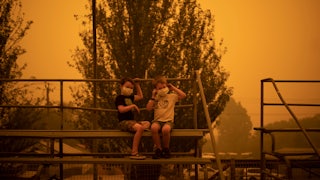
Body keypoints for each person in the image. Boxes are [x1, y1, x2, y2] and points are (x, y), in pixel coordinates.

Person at [146, 75, 186, 159]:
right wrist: (153, 96)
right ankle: (158, 149)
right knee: (153, 128)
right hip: (157, 121)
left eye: (164, 87)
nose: (162, 89)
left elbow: (183, 95)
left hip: (168, 121)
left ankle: (166, 149)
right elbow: (148, 108)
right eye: (160, 88)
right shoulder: (156, 98)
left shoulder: (171, 96)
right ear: (156, 89)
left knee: (166, 130)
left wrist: (173, 88)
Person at [115, 77, 150, 160]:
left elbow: (140, 96)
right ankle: (134, 153)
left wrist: (137, 85)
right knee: (140, 128)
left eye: (131, 88)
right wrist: (133, 105)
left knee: (148, 123)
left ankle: (138, 129)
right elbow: (121, 109)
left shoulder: (130, 97)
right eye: (127, 87)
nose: (129, 89)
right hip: (124, 122)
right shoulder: (119, 98)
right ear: (121, 86)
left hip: (132, 122)